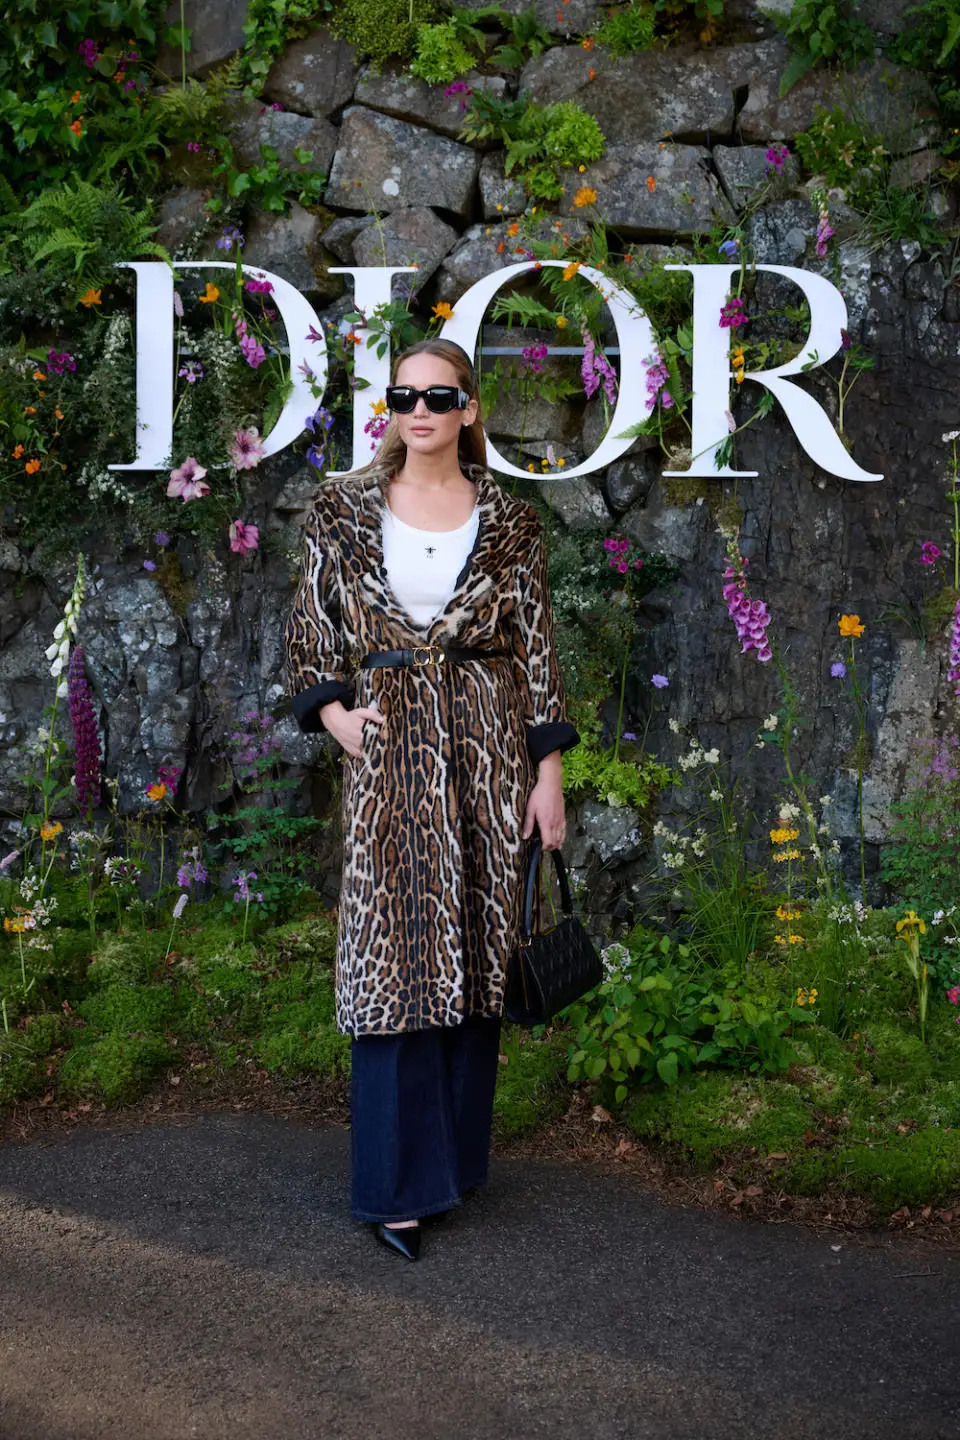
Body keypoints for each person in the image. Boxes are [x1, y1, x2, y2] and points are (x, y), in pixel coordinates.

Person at [283, 338, 580, 1261]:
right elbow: (309, 626)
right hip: (391, 753)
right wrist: (334, 717)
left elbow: (535, 651)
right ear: (392, 408)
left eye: (439, 395)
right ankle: (394, 1187)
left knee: (478, 948)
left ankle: (450, 1167)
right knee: (395, 958)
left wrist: (549, 777)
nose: (421, 409)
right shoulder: (338, 512)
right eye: (405, 394)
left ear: (469, 408)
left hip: (489, 750)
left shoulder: (513, 523)